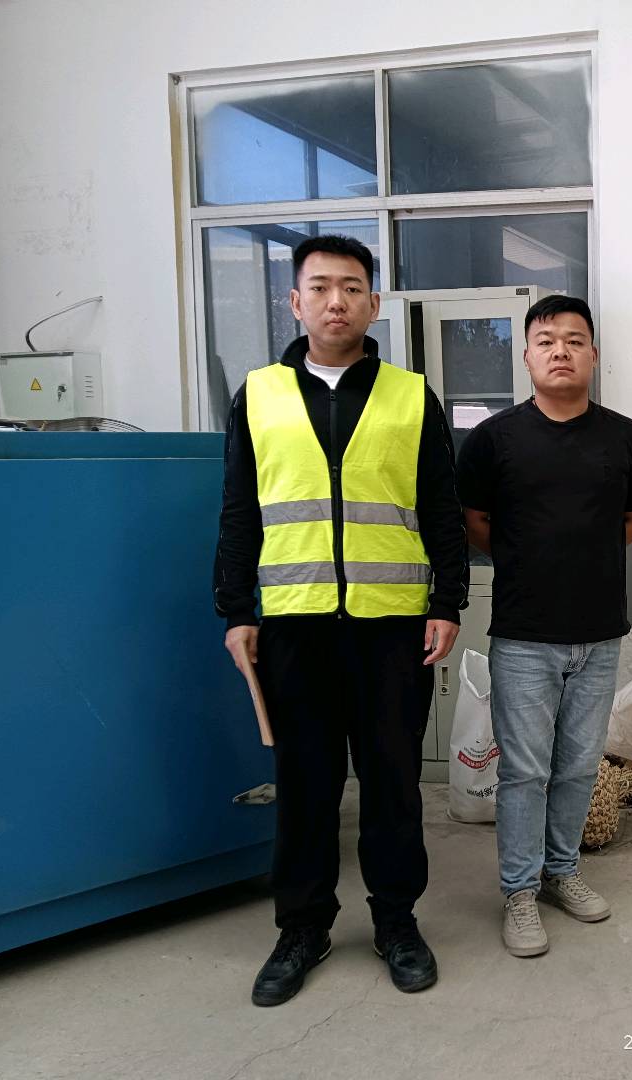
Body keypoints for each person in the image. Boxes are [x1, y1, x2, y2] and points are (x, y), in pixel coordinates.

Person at [214, 234, 469, 1006]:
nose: (336, 301)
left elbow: (442, 507)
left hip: (391, 626)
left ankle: (397, 921)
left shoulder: (410, 395)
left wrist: (447, 601)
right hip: (294, 624)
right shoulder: (259, 395)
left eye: (352, 288)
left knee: (393, 780)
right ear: (295, 302)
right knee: (305, 784)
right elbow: (239, 509)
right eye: (320, 287)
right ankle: (302, 927)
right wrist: (236, 610)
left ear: (373, 303)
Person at [456, 295, 632, 957]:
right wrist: (534, 558)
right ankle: (520, 892)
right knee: (524, 772)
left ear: (593, 355)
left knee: (577, 766)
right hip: (524, 634)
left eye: (574, 340)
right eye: (546, 341)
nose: (561, 352)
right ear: (526, 356)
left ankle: (561, 872)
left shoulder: (624, 437)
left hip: (599, 632)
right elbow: (476, 523)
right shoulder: (495, 439)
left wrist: (581, 557)